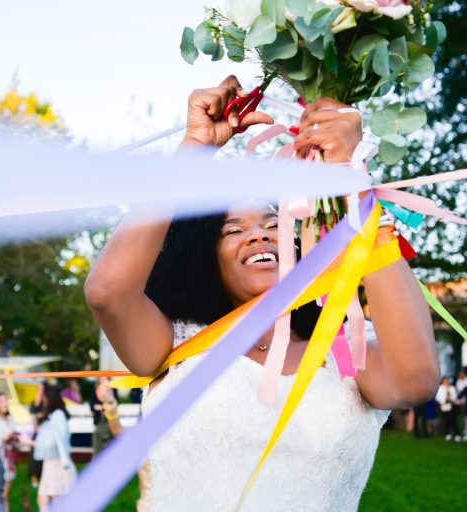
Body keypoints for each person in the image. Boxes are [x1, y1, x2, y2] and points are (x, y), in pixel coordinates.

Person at [83, 75, 440, 511]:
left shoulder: (346, 351)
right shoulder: (175, 344)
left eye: (274, 224)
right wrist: (194, 149)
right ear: (203, 260)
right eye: (233, 230)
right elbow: (106, 292)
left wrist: (352, 184)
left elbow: (416, 380)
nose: (258, 235)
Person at [33, 384, 76, 511]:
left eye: (44, 397)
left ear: (48, 398)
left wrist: (64, 461)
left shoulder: (58, 416)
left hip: (58, 463)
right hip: (51, 463)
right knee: (44, 499)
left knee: (55, 500)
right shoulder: (53, 415)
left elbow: (59, 440)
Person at [89, 377, 120, 455]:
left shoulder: (113, 393)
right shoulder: (97, 394)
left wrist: (104, 407)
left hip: (109, 423)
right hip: (101, 423)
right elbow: (92, 406)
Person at [435, 377, 460, 441]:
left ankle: (456, 434)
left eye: (447, 380)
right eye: (445, 381)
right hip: (444, 405)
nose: (446, 382)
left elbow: (455, 396)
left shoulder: (452, 388)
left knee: (453, 420)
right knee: (446, 420)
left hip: (452, 405)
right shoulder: (440, 388)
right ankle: (448, 433)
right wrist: (444, 399)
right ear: (442, 381)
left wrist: (451, 398)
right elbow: (437, 397)